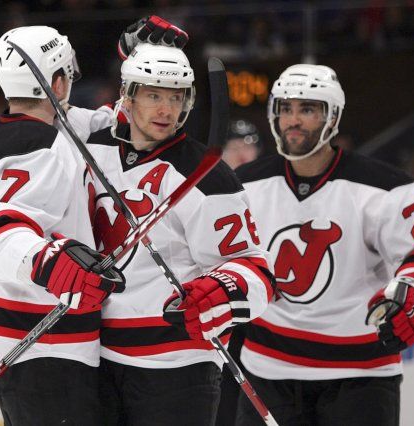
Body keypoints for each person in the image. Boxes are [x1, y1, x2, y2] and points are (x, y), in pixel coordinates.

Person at [0, 18, 187, 424]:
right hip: (42, 343)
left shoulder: (41, 129)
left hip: (25, 339)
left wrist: (141, 63)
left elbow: (115, 122)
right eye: (68, 72)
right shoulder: (41, 145)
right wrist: (50, 263)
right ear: (58, 80)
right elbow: (8, 231)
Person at [234, 64, 414, 426]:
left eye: (307, 109)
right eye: (285, 109)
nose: (293, 120)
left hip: (362, 377)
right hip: (267, 371)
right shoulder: (244, 184)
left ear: (331, 116)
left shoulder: (384, 186)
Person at [90, 43, 275, 426]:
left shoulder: (207, 175)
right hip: (97, 357)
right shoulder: (94, 149)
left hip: (177, 367)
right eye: (154, 95)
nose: (166, 110)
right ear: (128, 95)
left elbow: (256, 271)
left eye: (176, 98)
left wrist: (224, 289)